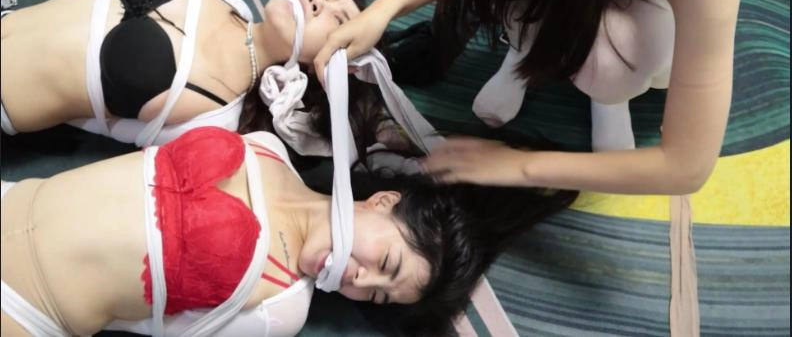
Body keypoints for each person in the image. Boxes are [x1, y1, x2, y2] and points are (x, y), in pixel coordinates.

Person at [312, 0, 755, 197]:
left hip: (653, 14)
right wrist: (383, 9)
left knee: (627, 62)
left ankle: (607, 96)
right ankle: (524, 55)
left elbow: (686, 166)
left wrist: (517, 166)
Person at [0, 126, 578, 337]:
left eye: (376, 295)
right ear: (382, 202)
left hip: (22, 311)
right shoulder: (266, 148)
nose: (360, 280)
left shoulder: (282, 308)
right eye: (386, 264)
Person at [0, 0, 365, 148]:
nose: (318, 2)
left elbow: (106, 128)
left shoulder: (217, 117)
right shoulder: (229, 3)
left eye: (337, 20)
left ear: (318, 67)